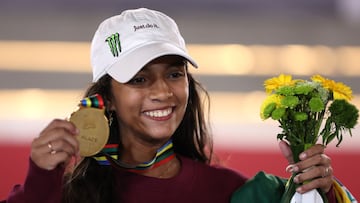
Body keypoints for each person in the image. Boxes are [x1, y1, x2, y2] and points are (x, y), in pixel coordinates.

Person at [1, 7, 354, 203]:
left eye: (174, 74)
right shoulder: (64, 195)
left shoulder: (231, 191)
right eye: (139, 79)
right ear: (106, 98)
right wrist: (40, 180)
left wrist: (321, 193)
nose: (162, 92)